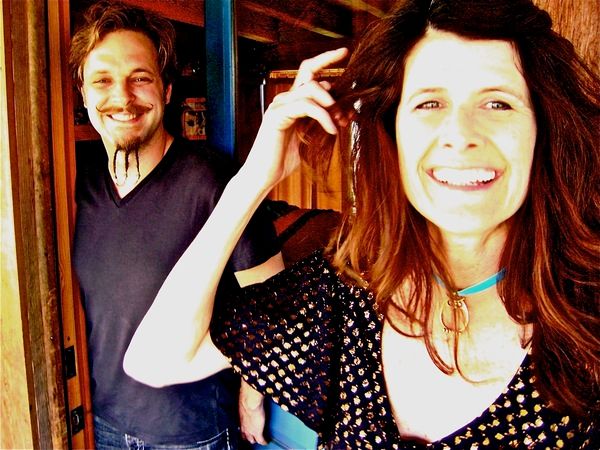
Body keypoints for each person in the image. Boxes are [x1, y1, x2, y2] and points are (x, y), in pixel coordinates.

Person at [123, 0, 599, 448]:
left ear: (542, 127)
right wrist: (253, 179)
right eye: (429, 104)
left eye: (497, 103)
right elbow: (156, 360)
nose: (459, 135)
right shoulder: (347, 293)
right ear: (392, 133)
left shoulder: (587, 320)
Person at [69, 1, 283, 448]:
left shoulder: (214, 181)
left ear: (166, 91)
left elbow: (272, 301)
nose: (122, 97)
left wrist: (252, 398)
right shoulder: (76, 185)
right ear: (83, 95)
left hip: (194, 433)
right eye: (102, 80)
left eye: (140, 78)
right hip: (101, 424)